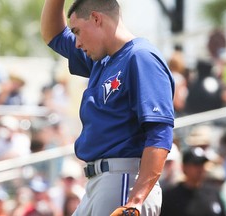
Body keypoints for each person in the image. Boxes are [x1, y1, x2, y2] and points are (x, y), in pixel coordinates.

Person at [40, 0, 175, 215]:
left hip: (125, 181)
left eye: (77, 31)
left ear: (96, 18)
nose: (76, 42)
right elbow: (53, 35)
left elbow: (160, 134)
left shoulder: (140, 57)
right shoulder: (102, 60)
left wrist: (136, 200)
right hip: (101, 183)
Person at [160, 147, 226, 216]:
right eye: (195, 164)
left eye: (202, 164)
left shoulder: (213, 192)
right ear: (184, 167)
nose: (200, 169)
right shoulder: (171, 197)